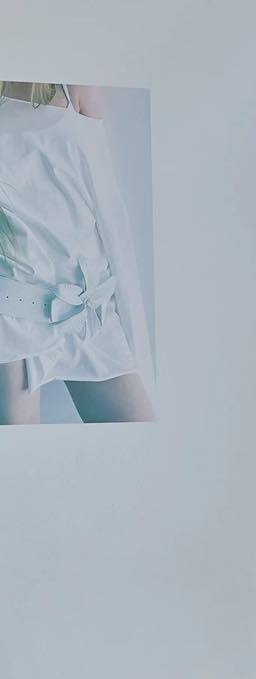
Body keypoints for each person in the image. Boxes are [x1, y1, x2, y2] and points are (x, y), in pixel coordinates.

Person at [0, 81, 155, 423]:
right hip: (13, 312)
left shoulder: (75, 88)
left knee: (140, 434)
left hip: (89, 310)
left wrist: (128, 321)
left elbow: (108, 207)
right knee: (18, 451)